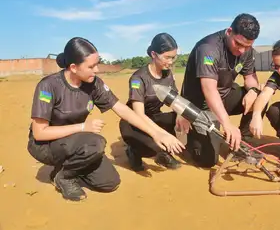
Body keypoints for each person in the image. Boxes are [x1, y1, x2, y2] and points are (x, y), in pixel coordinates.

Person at [27, 37, 184, 202]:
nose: (96, 70)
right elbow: (39, 133)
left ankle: (69, 166)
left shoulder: (93, 83)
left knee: (110, 182)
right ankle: (64, 177)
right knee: (95, 143)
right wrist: (82, 127)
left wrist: (156, 133)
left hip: (78, 143)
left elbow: (122, 109)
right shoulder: (49, 86)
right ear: (73, 67)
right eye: (91, 66)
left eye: (97, 64)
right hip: (46, 145)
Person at [178, 13, 263, 168]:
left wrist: (253, 91)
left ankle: (242, 143)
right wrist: (227, 124)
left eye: (247, 46)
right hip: (200, 105)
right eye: (238, 44)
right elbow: (209, 90)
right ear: (229, 31)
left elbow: (250, 78)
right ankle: (186, 134)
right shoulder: (208, 49)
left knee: (259, 98)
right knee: (208, 160)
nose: (242, 50)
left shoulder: (246, 50)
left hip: (224, 97)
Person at [119, 33, 185, 172]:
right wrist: (163, 134)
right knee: (153, 146)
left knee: (184, 118)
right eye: (167, 57)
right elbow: (139, 115)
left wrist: (180, 115)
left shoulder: (168, 75)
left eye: (173, 57)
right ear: (154, 54)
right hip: (133, 122)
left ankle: (164, 153)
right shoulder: (138, 78)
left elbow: (175, 100)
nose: (171, 62)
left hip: (154, 116)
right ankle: (134, 151)